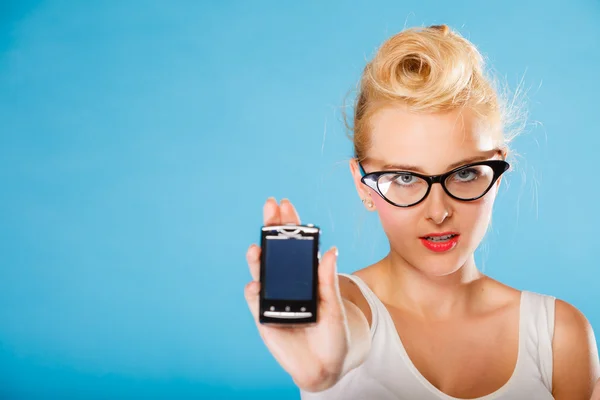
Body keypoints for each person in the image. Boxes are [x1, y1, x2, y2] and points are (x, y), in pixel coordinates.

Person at [244, 24, 600, 399]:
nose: (438, 212)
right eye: (404, 178)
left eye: (465, 174)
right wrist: (325, 367)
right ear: (362, 183)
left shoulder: (558, 336)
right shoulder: (342, 306)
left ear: (497, 173)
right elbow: (346, 336)